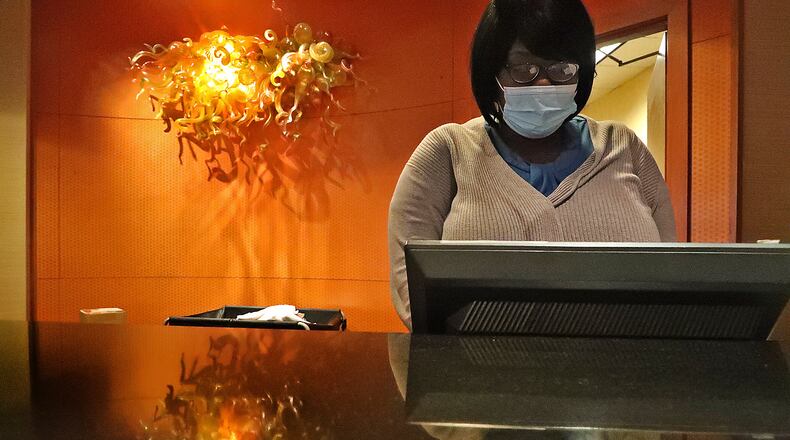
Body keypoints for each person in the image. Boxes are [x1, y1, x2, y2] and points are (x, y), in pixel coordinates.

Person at [388, 0, 676, 330]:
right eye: (523, 69)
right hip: (478, 377)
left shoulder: (625, 148)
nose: (543, 85)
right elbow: (415, 300)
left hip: (623, 377)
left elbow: (668, 283)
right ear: (491, 72)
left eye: (561, 69)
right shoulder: (447, 151)